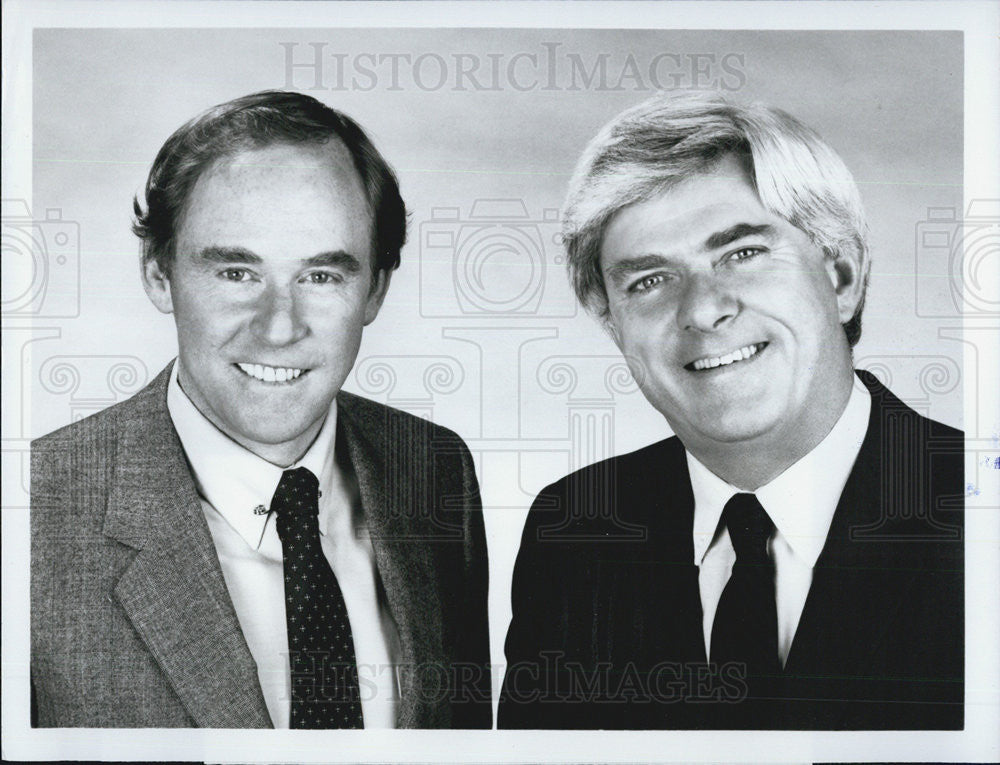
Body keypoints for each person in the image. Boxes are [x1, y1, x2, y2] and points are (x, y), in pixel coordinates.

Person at [499, 92, 963, 730]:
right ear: (613, 325)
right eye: (648, 280)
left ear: (842, 277)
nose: (702, 309)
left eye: (742, 254)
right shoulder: (576, 528)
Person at [31, 90, 490, 729]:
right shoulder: (30, 514)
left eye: (322, 276)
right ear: (159, 274)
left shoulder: (434, 468)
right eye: (237, 273)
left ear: (375, 290)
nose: (280, 328)